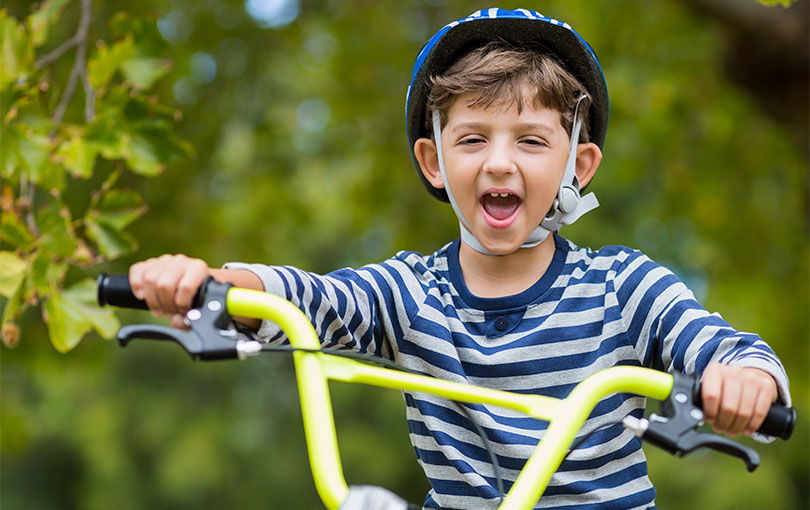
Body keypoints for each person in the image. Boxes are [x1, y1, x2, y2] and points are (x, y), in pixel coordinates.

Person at [127, 8, 790, 509]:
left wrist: (743, 382)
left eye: (532, 140)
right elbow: (309, 302)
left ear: (577, 166)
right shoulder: (413, 294)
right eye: (471, 138)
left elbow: (720, 346)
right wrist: (212, 285)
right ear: (433, 162)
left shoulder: (622, 287)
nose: (499, 162)